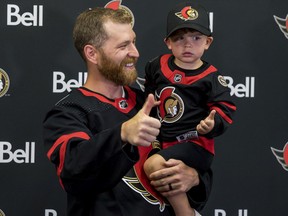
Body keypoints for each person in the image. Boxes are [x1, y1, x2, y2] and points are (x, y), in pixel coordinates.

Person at [43, 7, 212, 216]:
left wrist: (194, 177)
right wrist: (122, 133)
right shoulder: (69, 112)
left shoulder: (150, 101)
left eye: (133, 42)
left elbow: (194, 156)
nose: (135, 52)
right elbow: (73, 169)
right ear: (92, 53)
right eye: (123, 45)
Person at [144, 2, 237, 216]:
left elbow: (226, 108)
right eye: (179, 38)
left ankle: (185, 213)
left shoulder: (211, 77)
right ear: (168, 43)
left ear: (208, 42)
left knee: (154, 166)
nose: (188, 45)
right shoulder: (156, 65)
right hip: (162, 140)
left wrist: (212, 124)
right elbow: (149, 94)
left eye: (196, 38)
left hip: (195, 144)